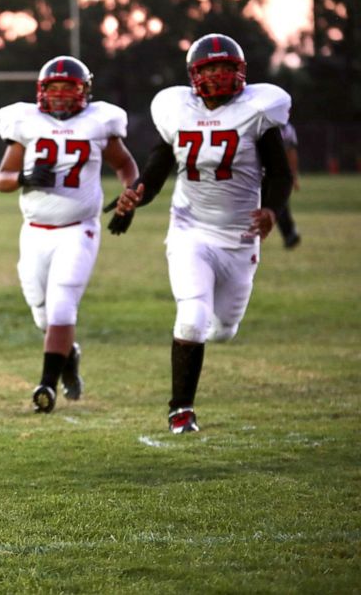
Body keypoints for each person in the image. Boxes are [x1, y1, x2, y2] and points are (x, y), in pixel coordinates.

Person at [108, 33, 293, 434]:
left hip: (239, 237)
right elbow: (157, 168)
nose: (217, 75)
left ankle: (198, 355)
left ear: (240, 72)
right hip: (190, 229)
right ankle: (181, 411)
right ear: (194, 74)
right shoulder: (178, 111)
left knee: (224, 329)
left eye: (225, 66)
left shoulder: (256, 113)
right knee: (191, 317)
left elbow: (280, 173)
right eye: (209, 68)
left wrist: (272, 211)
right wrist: (135, 197)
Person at [0, 55, 139, 414]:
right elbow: (3, 179)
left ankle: (46, 386)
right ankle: (68, 356)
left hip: (79, 230)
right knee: (43, 317)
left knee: (62, 306)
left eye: (68, 88)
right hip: (34, 232)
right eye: (54, 88)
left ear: (83, 92)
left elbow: (124, 164)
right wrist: (25, 179)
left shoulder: (98, 123)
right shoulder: (26, 122)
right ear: (42, 92)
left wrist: (130, 192)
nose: (60, 95)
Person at [277, 121, 302, 248]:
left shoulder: (285, 128)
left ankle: (290, 234)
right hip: (256, 172)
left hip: (276, 173)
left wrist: (294, 176)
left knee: (280, 204)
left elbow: (291, 153)